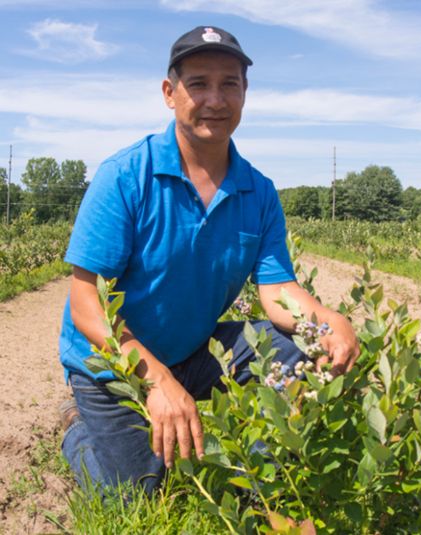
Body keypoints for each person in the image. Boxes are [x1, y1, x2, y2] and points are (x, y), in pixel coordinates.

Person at [59, 26, 359, 494]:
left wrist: (326, 321)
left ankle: (255, 478)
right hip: (113, 362)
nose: (215, 99)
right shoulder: (124, 177)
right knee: (137, 493)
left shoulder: (257, 191)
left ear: (245, 93)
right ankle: (79, 431)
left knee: (304, 348)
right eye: (198, 83)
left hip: (194, 351)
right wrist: (155, 380)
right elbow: (85, 307)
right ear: (169, 93)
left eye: (229, 84)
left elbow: (278, 291)